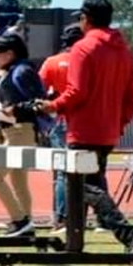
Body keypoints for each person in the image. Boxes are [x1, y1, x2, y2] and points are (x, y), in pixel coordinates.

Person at [37, 0, 133, 254]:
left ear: (85, 19)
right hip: (109, 130)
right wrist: (121, 121)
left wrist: (51, 106)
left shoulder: (82, 48)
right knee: (92, 183)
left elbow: (76, 92)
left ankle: (128, 233)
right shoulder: (123, 49)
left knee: (78, 183)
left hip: (83, 128)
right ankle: (74, 241)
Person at [0, 33, 46, 236]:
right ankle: (26, 224)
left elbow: (38, 102)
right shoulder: (12, 70)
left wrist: (15, 109)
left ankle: (20, 220)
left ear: (10, 53)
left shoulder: (24, 71)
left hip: (20, 130)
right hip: (13, 130)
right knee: (19, 181)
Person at [39, 23, 84, 231]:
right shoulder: (85, 60)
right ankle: (92, 218)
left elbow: (39, 88)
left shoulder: (52, 62)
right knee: (92, 168)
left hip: (59, 119)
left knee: (61, 172)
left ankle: (62, 218)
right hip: (84, 120)